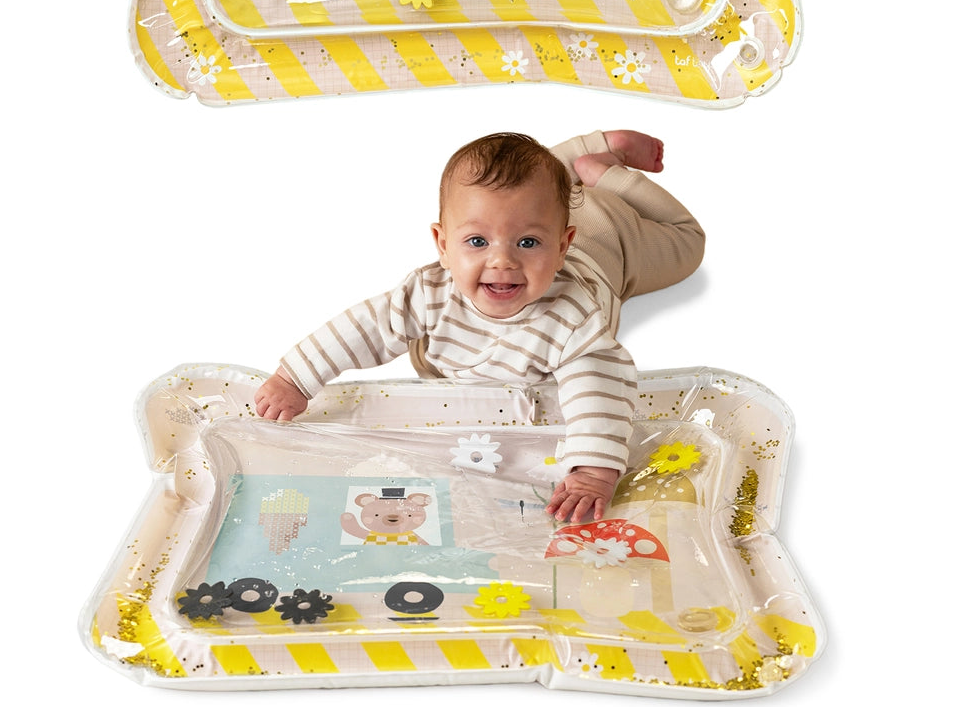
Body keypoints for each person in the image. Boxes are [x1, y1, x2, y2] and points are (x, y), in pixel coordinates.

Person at [254, 130, 704, 523]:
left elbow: (600, 391)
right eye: (477, 241)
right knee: (524, 183)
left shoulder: (572, 317)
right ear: (443, 245)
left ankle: (602, 171)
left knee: (688, 241)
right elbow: (365, 327)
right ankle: (575, 159)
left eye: (528, 243)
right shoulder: (429, 292)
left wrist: (592, 471)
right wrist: (295, 378)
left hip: (612, 238)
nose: (502, 260)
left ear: (563, 246)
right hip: (547, 206)